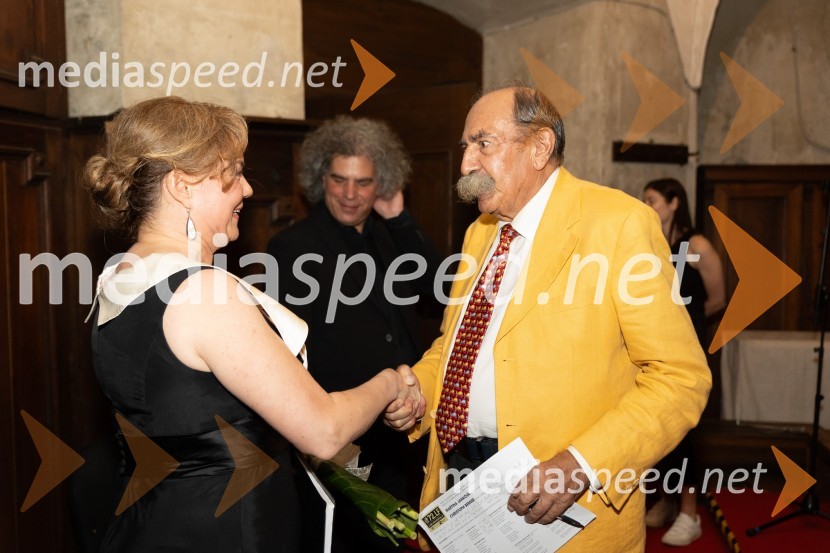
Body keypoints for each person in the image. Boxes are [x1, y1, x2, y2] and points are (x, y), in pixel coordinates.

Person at [82, 96, 421, 553]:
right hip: (224, 530)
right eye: (233, 172)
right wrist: (390, 383)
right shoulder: (205, 294)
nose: (246, 189)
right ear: (183, 186)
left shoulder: (119, 275)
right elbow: (323, 431)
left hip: (155, 522)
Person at [385, 86, 712, 552]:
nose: (465, 165)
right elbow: (457, 345)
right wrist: (419, 388)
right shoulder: (481, 233)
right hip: (459, 482)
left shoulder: (618, 223)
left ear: (539, 146)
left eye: (483, 143)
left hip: (562, 503)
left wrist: (580, 463)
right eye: (466, 147)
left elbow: (680, 378)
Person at [267, 115, 442, 552]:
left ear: (380, 184)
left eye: (364, 182)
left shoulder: (390, 236)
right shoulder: (292, 248)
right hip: (341, 441)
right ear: (319, 178)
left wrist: (400, 217)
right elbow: (289, 358)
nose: (349, 194)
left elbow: (440, 294)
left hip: (402, 433)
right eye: (339, 179)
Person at [642, 178, 726, 546]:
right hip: (653, 350)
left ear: (675, 202)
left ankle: (690, 513)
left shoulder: (698, 245)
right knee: (657, 430)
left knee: (685, 435)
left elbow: (718, 300)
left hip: (689, 351)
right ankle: (665, 499)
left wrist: (686, 325)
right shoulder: (652, 244)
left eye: (652, 199)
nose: (645, 204)